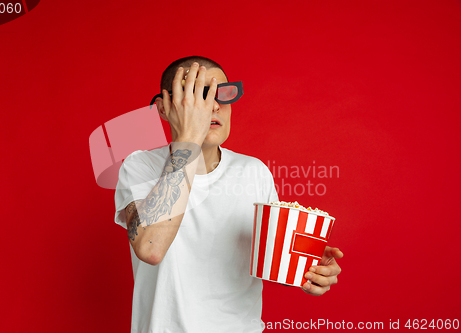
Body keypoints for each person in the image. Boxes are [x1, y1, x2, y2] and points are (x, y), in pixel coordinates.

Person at [114, 56, 343, 333]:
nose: (214, 105)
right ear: (164, 108)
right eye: (197, 95)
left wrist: (310, 272)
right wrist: (189, 140)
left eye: (222, 93)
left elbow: (274, 262)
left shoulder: (254, 172)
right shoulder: (139, 166)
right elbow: (150, 247)